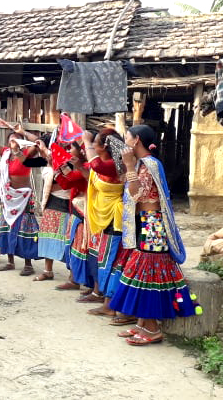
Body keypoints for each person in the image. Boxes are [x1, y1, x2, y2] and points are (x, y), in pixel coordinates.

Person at [109, 125, 196, 345]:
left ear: (136, 140)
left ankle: (153, 329)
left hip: (153, 225)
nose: (125, 141)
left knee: (148, 274)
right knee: (142, 273)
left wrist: (129, 165)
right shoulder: (142, 165)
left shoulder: (150, 165)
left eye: (127, 137)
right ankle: (141, 324)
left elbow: (136, 193)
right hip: (145, 224)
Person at [77, 129, 135, 325]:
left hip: (114, 217)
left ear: (103, 146)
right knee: (106, 260)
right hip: (106, 216)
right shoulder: (110, 165)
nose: (91, 146)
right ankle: (107, 302)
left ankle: (110, 304)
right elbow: (92, 171)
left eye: (95, 143)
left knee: (111, 261)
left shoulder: (113, 165)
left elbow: (96, 165)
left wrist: (86, 141)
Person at [0, 116, 40, 276]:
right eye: (11, 140)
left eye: (16, 140)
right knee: (7, 226)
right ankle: (10, 261)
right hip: (8, 198)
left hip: (24, 197)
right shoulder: (5, 154)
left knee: (25, 228)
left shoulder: (27, 154)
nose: (13, 142)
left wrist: (22, 132)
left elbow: (37, 141)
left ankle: (28, 264)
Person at [33, 137, 86, 282]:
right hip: (53, 201)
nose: (67, 148)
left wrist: (49, 157)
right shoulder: (58, 161)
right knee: (47, 235)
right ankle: (48, 270)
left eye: (69, 146)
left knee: (69, 241)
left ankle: (72, 276)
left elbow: (67, 181)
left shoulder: (76, 163)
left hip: (70, 204)